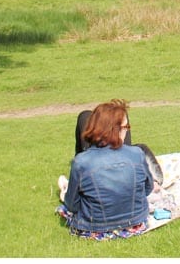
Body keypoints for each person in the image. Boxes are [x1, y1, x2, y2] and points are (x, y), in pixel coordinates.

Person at [56, 100, 154, 240]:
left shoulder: (81, 162)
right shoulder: (137, 154)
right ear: (117, 129)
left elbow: (72, 205)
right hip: (135, 223)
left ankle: (66, 187)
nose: (127, 130)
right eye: (126, 127)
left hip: (94, 227)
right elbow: (147, 189)